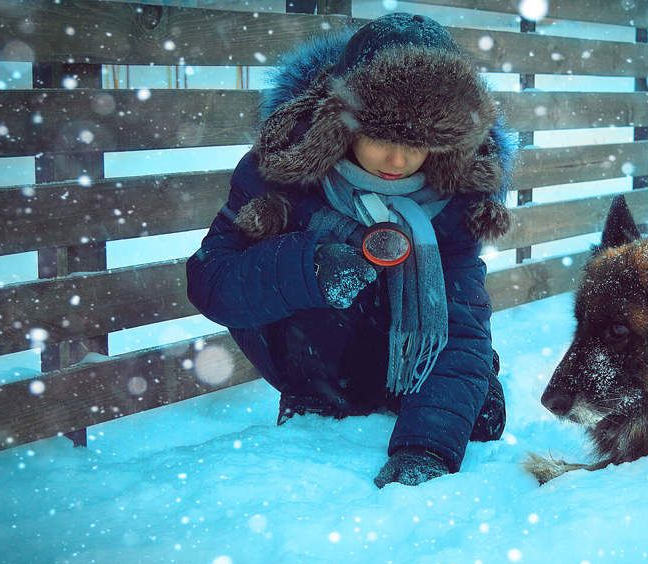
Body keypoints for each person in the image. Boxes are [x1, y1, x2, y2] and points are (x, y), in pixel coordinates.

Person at [186, 13, 514, 487]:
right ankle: (325, 398)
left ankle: (440, 384)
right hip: (314, 363)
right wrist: (309, 267)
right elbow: (211, 282)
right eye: (381, 136)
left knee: (473, 412)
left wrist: (426, 447)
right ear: (342, 121)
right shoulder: (282, 171)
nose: (398, 159)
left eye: (418, 142)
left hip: (403, 359)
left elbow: (461, 319)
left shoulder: (453, 197)